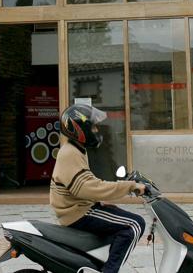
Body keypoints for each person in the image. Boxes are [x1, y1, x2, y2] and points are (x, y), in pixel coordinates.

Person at [50, 104, 146, 273]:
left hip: (80, 207)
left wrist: (99, 199)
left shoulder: (77, 149)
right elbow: (89, 187)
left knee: (119, 219)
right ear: (80, 129)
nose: (96, 130)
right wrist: (129, 186)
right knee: (135, 224)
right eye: (93, 126)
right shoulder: (70, 153)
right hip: (78, 213)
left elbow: (84, 184)